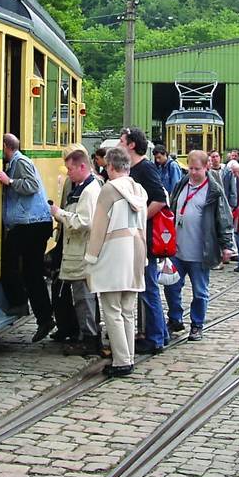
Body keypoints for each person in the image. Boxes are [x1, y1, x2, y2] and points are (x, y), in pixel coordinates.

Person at [84, 146, 148, 378]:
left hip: (113, 254)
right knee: (128, 310)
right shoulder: (139, 190)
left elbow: (99, 227)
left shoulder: (109, 190)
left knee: (112, 309)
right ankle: (128, 355)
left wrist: (90, 258)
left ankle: (121, 361)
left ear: (110, 166)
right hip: (136, 252)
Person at [166, 149, 234, 341]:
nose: (193, 172)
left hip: (200, 251)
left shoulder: (214, 190)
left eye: (197, 169)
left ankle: (197, 325)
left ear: (206, 167)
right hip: (177, 250)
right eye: (190, 168)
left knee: (200, 291)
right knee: (171, 287)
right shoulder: (182, 184)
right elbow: (173, 208)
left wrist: (226, 245)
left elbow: (224, 218)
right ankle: (175, 319)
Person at [0, 133, 55, 342]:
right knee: (32, 273)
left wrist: (8, 181)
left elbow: (32, 186)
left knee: (9, 261)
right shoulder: (16, 162)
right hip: (32, 224)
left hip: (31, 224)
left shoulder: (19, 162)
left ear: (4, 146)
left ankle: (20, 302)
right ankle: (44, 318)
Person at [119, 127, 168, 354]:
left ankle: (156, 338)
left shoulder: (145, 168)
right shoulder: (132, 169)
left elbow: (159, 199)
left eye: (122, 142)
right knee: (145, 289)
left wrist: (139, 217)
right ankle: (159, 334)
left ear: (131, 145)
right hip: (137, 237)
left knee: (149, 289)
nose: (119, 145)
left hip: (146, 238)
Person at [50, 148, 103, 355]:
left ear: (82, 166)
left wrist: (60, 214)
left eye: (70, 168)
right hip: (77, 252)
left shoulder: (89, 191)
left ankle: (89, 338)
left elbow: (84, 222)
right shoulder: (82, 186)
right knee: (82, 296)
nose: (68, 172)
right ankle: (88, 335)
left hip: (81, 253)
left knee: (84, 297)